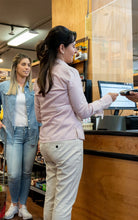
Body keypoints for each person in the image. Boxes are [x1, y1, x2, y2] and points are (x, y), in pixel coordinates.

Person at [34, 25, 118, 220]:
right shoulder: (69, 73)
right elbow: (83, 110)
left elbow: (39, 117)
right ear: (62, 48)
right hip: (67, 143)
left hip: (47, 143)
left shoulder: (41, 77)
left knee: (52, 198)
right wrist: (107, 99)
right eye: (73, 46)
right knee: (64, 202)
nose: (76, 51)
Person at [0, 54, 39, 219]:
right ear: (16, 66)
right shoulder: (4, 86)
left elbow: (40, 111)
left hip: (31, 134)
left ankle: (23, 206)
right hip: (12, 134)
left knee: (26, 172)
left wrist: (42, 132)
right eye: (24, 64)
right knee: (14, 174)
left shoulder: (34, 88)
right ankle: (13, 204)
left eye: (29, 65)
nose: (27, 68)